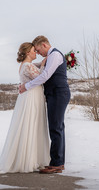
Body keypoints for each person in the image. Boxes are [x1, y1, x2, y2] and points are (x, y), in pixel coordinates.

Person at [0, 42, 50, 173]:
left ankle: (33, 156)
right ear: (27, 53)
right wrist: (43, 64)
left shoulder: (27, 65)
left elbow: (35, 69)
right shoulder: (26, 66)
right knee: (30, 123)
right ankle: (27, 159)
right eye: (33, 50)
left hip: (31, 96)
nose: (36, 52)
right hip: (31, 98)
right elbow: (41, 78)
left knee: (33, 124)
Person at [19, 36, 71, 174]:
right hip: (54, 94)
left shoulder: (54, 55)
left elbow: (45, 75)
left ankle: (57, 164)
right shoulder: (50, 56)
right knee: (56, 127)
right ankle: (57, 162)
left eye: (38, 50)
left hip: (58, 94)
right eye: (34, 50)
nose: (38, 53)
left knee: (56, 127)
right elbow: (37, 68)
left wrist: (27, 86)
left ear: (44, 45)